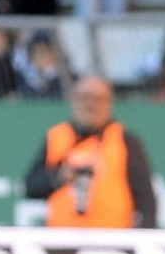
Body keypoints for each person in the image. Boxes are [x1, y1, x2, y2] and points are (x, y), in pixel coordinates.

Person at [24, 75, 157, 227]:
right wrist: (59, 176)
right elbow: (30, 186)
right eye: (85, 98)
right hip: (61, 235)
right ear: (74, 100)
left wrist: (147, 235)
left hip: (112, 237)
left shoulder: (124, 139)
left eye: (99, 99)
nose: (91, 105)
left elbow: (145, 195)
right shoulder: (56, 136)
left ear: (109, 103)